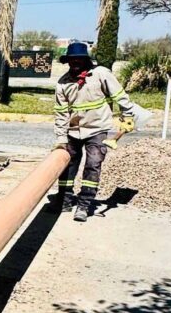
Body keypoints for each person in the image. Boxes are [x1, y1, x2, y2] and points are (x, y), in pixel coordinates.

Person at [48, 41, 136, 222]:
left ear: (86, 59)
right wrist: (61, 138)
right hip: (73, 130)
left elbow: (119, 95)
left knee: (93, 164)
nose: (75, 62)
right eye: (72, 60)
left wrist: (128, 115)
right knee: (67, 165)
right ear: (67, 61)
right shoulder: (63, 83)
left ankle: (84, 204)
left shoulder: (101, 74)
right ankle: (64, 201)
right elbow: (61, 113)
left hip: (97, 128)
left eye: (79, 59)